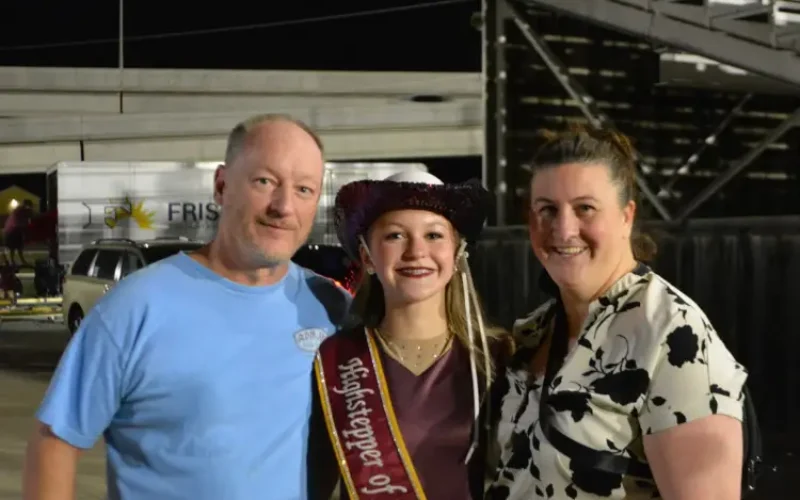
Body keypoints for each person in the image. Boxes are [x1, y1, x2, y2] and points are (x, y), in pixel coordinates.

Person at [23, 114, 352, 500]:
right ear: (221, 185)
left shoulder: (331, 309)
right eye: (265, 181)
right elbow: (55, 442)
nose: (283, 205)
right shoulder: (135, 307)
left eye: (304, 189)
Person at [486, 126, 748, 499]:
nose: (563, 229)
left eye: (585, 208)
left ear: (627, 216)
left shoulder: (671, 335)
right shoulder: (535, 331)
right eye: (546, 209)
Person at [309, 171, 512, 500]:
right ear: (366, 257)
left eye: (433, 236)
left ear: (457, 252)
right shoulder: (334, 360)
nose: (416, 251)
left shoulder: (496, 356)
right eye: (394, 236)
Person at [4, 198, 34, 267]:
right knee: (14, 247)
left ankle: (19, 261)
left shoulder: (22, 210)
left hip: (15, 230)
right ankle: (13, 261)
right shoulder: (20, 210)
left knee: (18, 247)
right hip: (13, 230)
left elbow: (30, 217)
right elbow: (20, 221)